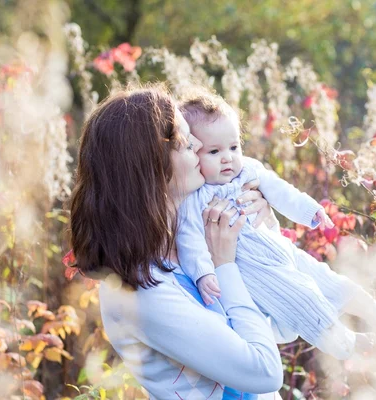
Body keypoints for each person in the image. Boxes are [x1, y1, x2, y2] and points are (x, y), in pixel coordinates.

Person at [68, 84, 287, 399]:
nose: (200, 145)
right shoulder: (139, 292)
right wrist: (225, 265)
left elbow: (282, 329)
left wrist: (264, 225)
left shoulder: (197, 242)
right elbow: (265, 372)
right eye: (185, 142)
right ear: (150, 168)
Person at [176, 88, 376, 361]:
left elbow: (281, 191)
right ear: (191, 152)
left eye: (234, 147)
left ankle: (375, 312)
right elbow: (188, 239)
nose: (227, 157)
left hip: (282, 249)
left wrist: (310, 210)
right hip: (258, 271)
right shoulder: (195, 199)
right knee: (305, 301)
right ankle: (347, 343)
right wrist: (203, 273)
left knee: (329, 280)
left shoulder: (249, 170)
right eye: (214, 151)